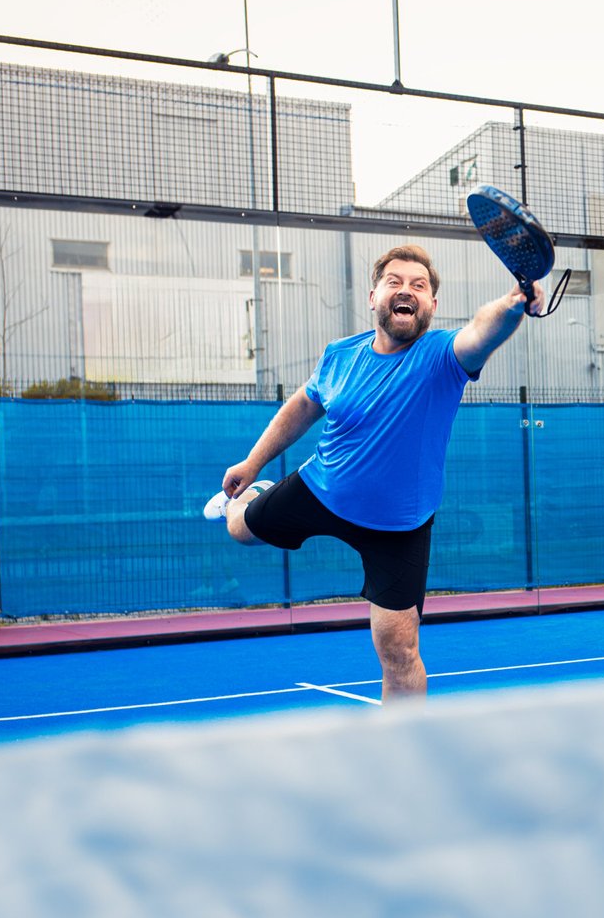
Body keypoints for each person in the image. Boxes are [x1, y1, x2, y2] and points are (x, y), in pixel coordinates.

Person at [204, 244, 543, 703]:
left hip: (398, 526)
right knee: (240, 530)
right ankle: (246, 500)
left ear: (432, 306)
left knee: (398, 651)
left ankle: (402, 757)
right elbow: (303, 407)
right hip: (320, 489)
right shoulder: (340, 355)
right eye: (395, 282)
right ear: (373, 297)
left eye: (419, 286)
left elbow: (481, 332)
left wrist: (514, 302)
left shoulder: (443, 356)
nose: (406, 291)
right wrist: (252, 463)